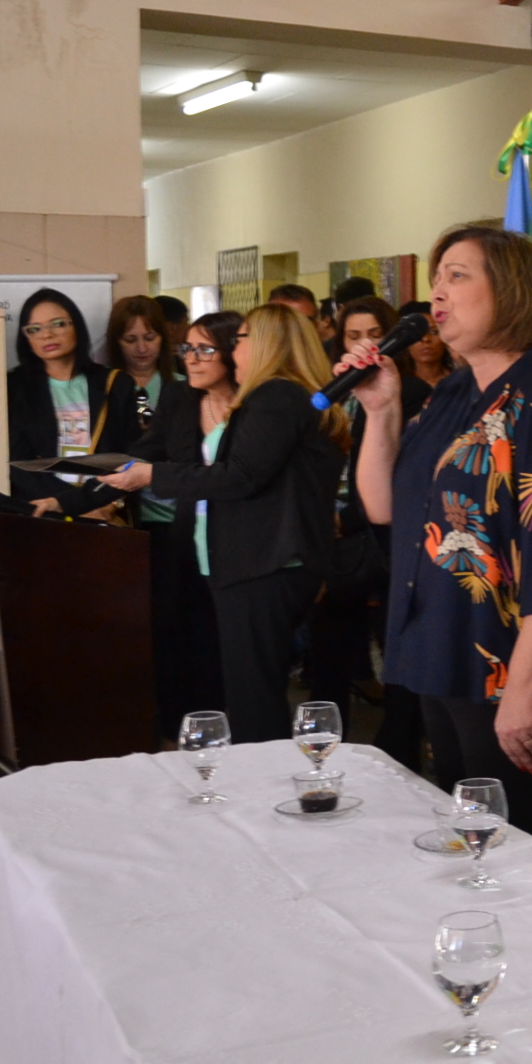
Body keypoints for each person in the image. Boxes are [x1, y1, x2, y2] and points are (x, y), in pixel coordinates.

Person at [339, 225, 532, 850]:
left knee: (516, 843)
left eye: (457, 276)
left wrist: (521, 694)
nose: (438, 293)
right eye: (436, 279)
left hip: (510, 664)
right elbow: (384, 507)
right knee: (468, 836)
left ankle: (529, 948)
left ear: (512, 291)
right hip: (445, 646)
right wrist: (379, 412)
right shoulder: (452, 393)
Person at [100, 305, 349, 744]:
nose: (237, 348)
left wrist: (152, 476)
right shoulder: (289, 396)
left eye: (244, 338)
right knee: (250, 688)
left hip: (262, 563)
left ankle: (264, 793)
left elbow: (240, 475)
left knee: (253, 696)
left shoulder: (275, 396)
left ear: (268, 344)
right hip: (260, 562)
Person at [303, 296, 431, 769]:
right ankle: (323, 744)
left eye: (373, 334)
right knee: (330, 641)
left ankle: (400, 749)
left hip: (382, 535)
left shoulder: (413, 391)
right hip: (333, 538)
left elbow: (400, 476)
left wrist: (349, 518)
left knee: (395, 644)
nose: (364, 345)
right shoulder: (332, 393)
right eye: (353, 336)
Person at [124, 310, 239, 741]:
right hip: (187, 543)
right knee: (187, 644)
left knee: (236, 658)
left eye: (205, 349)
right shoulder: (178, 398)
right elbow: (141, 458)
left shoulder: (259, 403)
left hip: (245, 549)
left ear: (233, 352)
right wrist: (68, 497)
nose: (192, 358)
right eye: (188, 348)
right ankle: (191, 739)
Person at [6, 286, 112, 516]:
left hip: (105, 509)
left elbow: (125, 456)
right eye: (34, 329)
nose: (47, 335)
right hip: (42, 511)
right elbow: (17, 463)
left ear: (77, 326)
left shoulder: (113, 382)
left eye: (58, 324)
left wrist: (104, 503)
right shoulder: (14, 386)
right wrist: (70, 505)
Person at [101, 294, 178, 448]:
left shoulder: (183, 385)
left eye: (149, 338)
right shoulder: (103, 384)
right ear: (116, 342)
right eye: (130, 340)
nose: (142, 348)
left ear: (163, 338)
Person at [398, 298, 454, 389]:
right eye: (418, 334)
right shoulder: (399, 384)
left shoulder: (461, 380)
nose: (426, 339)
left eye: (434, 332)